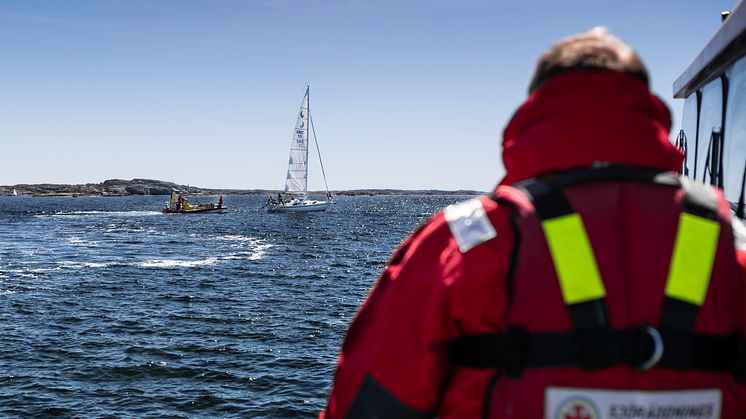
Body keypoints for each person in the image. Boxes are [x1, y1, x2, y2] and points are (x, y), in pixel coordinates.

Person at [322, 27, 746, 418]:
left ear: (536, 106)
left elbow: (365, 401)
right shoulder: (730, 239)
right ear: (646, 109)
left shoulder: (467, 240)